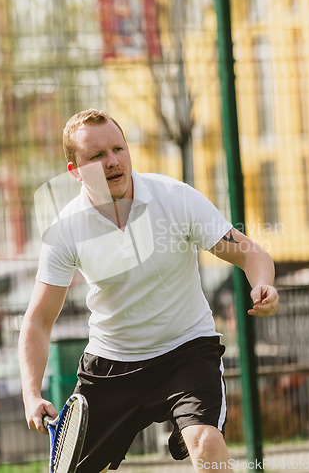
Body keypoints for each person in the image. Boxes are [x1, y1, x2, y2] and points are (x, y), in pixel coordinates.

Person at [18, 108, 279, 472]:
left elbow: (251, 254)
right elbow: (38, 321)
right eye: (97, 156)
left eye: (118, 149)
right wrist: (31, 395)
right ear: (75, 171)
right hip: (111, 365)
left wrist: (263, 284)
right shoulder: (65, 231)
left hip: (186, 351)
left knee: (206, 443)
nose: (112, 161)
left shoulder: (174, 198)